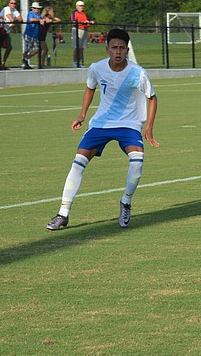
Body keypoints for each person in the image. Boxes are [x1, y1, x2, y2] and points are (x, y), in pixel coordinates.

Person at [45, 28, 159, 231]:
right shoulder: (97, 68)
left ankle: (126, 202)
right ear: (107, 49)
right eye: (114, 47)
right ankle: (63, 213)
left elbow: (152, 98)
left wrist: (149, 127)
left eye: (122, 48)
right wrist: (82, 115)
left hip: (129, 124)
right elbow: (90, 88)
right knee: (78, 162)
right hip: (101, 124)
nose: (118, 52)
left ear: (127, 50)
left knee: (137, 161)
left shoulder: (138, 73)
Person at [0, 0, 23, 70]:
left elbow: (21, 19)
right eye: (11, 3)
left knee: (9, 47)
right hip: (1, 31)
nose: (13, 5)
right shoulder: (6, 9)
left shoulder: (15, 11)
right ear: (9, 4)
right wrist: (15, 20)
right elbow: (11, 19)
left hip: (7, 32)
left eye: (14, 3)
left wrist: (14, 22)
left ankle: (3, 63)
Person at [71, 1, 94, 68]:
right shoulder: (74, 13)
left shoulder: (84, 13)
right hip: (77, 30)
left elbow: (86, 21)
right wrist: (83, 22)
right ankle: (75, 62)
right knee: (77, 47)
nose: (81, 7)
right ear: (76, 6)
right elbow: (74, 22)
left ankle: (79, 62)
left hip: (84, 30)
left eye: (82, 6)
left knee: (81, 47)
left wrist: (89, 22)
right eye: (80, 6)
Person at [21, 2, 42, 69]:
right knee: (27, 49)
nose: (36, 9)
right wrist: (39, 20)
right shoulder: (30, 13)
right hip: (28, 34)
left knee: (37, 49)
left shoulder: (39, 15)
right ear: (32, 8)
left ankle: (26, 58)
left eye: (37, 8)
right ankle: (25, 61)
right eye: (35, 8)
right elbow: (31, 19)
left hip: (35, 34)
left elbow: (42, 20)